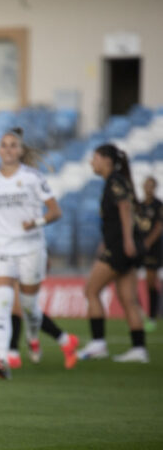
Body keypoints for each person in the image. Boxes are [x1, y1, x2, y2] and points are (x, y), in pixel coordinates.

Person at [0, 128, 78, 379]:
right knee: (2, 304)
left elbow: (55, 211)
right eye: (4, 145)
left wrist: (36, 222)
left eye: (13, 145)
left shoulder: (33, 177)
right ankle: (2, 359)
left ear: (20, 150)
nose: (8, 149)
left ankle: (47, 339)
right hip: (0, 247)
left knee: (29, 306)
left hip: (30, 248)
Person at [77, 144, 148, 362]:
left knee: (91, 291)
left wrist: (126, 240)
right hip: (123, 247)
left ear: (106, 160)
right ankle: (139, 349)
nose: (92, 162)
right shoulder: (116, 180)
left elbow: (125, 208)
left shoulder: (115, 181)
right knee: (128, 299)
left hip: (119, 248)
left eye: (95, 158)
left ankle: (98, 343)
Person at [135, 176, 162, 331]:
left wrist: (147, 243)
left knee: (151, 283)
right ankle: (138, 312)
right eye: (146, 185)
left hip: (153, 249)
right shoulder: (139, 205)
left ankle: (152, 316)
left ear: (155, 187)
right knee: (129, 279)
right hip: (138, 248)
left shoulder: (158, 205)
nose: (148, 188)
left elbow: (159, 227)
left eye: (151, 185)